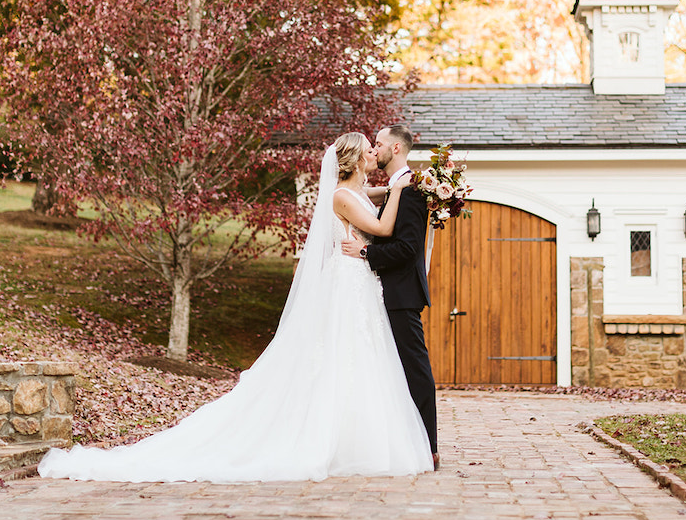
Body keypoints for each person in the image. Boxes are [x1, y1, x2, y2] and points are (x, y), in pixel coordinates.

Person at [37, 132, 433, 482]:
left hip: (359, 282)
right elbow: (381, 228)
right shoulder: (344, 196)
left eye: (374, 148)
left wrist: (410, 186)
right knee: (346, 357)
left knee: (360, 359)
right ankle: (341, 441)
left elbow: (374, 198)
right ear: (353, 160)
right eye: (367, 150)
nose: (372, 154)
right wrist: (401, 187)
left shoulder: (357, 193)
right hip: (349, 283)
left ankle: (359, 438)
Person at [341, 124, 438, 470]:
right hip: (382, 291)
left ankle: (428, 445)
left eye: (378, 144)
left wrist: (367, 253)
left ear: (395, 149)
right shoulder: (399, 187)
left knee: (415, 369)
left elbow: (408, 248)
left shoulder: (410, 189)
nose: (374, 149)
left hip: (401, 293)